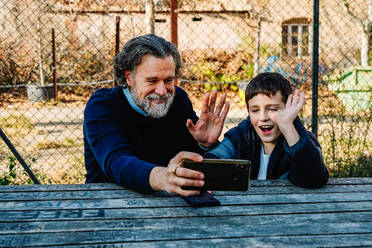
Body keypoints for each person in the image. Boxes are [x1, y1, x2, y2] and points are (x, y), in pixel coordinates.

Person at [83, 34, 229, 196]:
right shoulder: (103, 105)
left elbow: (193, 167)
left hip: (170, 205)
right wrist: (163, 178)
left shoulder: (178, 100)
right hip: (109, 203)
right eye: (152, 81)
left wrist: (205, 145)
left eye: (168, 80)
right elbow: (117, 161)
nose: (162, 91)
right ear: (129, 78)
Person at [204, 72, 329, 189]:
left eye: (273, 109)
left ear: (288, 108)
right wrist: (206, 145)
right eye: (255, 110)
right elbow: (208, 168)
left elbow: (314, 179)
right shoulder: (241, 136)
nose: (263, 117)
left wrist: (287, 127)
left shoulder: (300, 139)